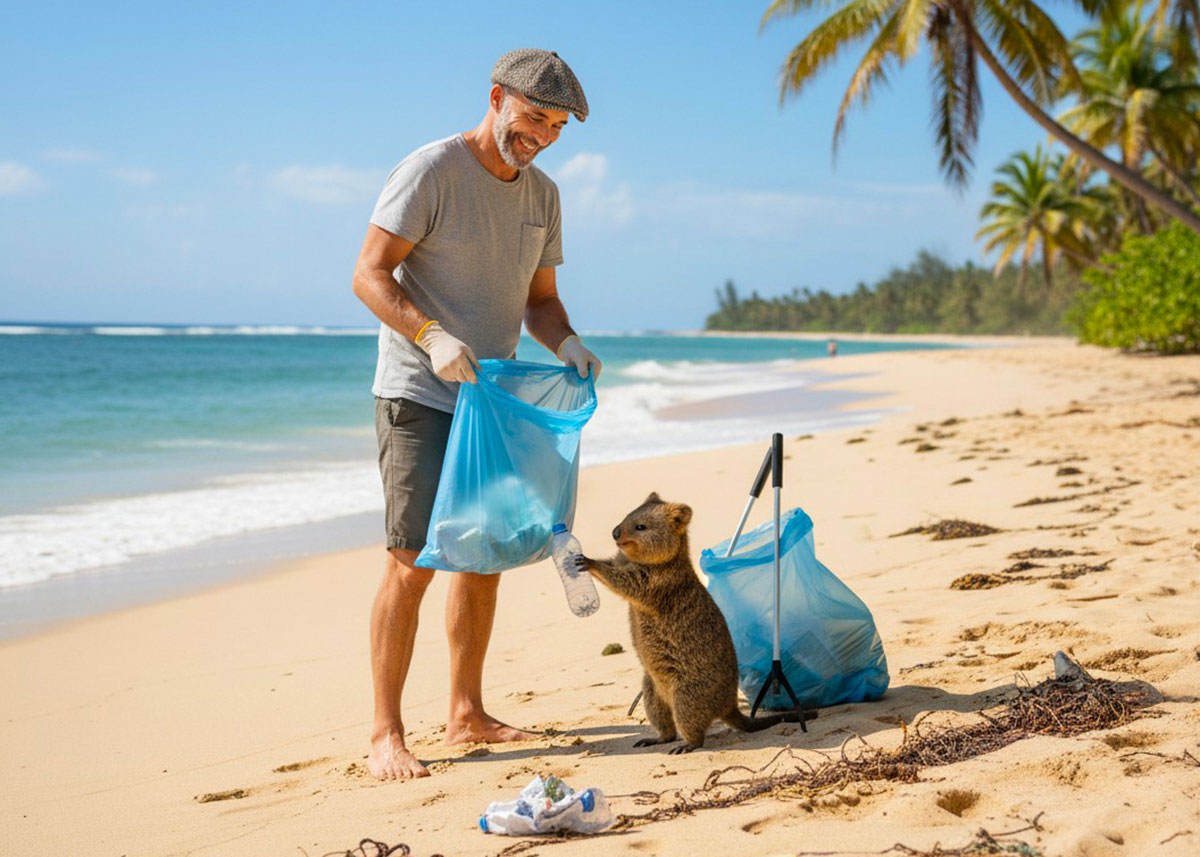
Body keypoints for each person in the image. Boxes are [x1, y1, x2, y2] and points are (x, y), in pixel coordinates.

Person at [351, 49, 603, 781]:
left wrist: (568, 342)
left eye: (556, 127)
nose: (542, 137)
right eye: (533, 118)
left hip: (490, 402)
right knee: (411, 563)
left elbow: (540, 301)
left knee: (482, 554)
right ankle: (385, 733)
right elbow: (368, 273)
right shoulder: (431, 171)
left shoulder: (543, 196)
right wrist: (431, 336)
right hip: (420, 393)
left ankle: (466, 712)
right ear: (496, 98)